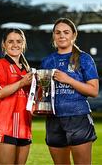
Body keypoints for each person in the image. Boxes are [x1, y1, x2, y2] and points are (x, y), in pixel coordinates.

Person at [41, 18, 99, 165]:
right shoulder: (47, 61)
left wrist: (69, 80)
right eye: (58, 32)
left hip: (78, 117)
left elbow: (93, 91)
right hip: (54, 119)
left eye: (66, 32)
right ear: (53, 36)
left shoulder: (84, 59)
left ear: (74, 35)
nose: (62, 36)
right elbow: (44, 91)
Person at [0, 28, 33, 165]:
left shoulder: (28, 70)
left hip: (25, 127)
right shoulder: (0, 65)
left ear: (23, 44)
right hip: (5, 127)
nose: (15, 45)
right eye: (10, 41)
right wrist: (21, 82)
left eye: (19, 41)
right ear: (4, 44)